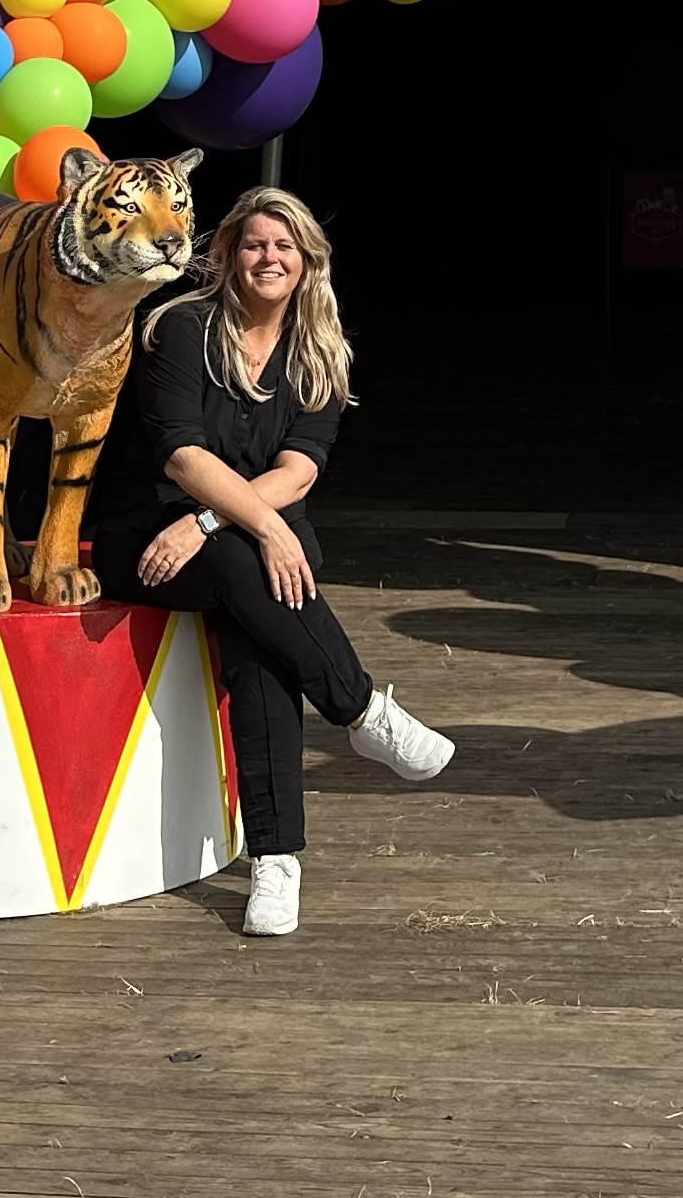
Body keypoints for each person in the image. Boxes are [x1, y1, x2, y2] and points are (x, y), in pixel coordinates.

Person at [92, 184, 452, 936]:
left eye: (285, 246)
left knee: (257, 632)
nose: (269, 257)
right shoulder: (182, 328)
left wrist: (223, 520)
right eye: (255, 243)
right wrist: (243, 524)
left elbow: (300, 469)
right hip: (149, 532)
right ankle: (361, 710)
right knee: (247, 567)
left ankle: (275, 862)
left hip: (240, 531)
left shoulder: (319, 353)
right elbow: (181, 454)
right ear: (228, 254)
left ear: (308, 262)